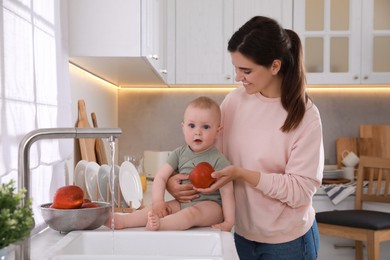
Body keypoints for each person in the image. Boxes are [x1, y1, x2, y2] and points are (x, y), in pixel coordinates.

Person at [166, 16, 324, 259]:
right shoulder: (234, 102)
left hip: (287, 242)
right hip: (241, 236)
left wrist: (242, 174)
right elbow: (207, 156)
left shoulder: (305, 116)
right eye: (236, 68)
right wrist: (173, 181)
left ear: (274, 66)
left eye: (246, 70)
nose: (238, 77)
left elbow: (300, 190)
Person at [105, 96, 235, 232]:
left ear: (218, 132)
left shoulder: (219, 160)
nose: (198, 132)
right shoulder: (179, 153)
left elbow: (227, 192)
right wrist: (158, 202)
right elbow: (160, 177)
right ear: (183, 127)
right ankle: (122, 221)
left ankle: (160, 225)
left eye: (206, 127)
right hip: (183, 203)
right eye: (192, 125)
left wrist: (229, 221)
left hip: (211, 207)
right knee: (157, 209)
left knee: (191, 213)